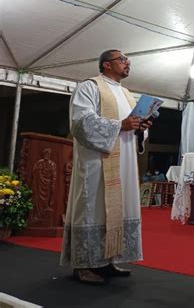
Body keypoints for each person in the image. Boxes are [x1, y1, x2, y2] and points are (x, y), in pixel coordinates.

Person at [60, 49, 152, 285]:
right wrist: (119, 125)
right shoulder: (89, 87)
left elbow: (131, 125)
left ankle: (108, 260)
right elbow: (81, 122)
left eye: (128, 61)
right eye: (122, 60)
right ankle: (84, 264)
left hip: (124, 162)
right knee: (93, 207)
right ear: (106, 65)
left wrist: (141, 128)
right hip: (97, 161)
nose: (127, 63)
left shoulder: (127, 94)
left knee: (117, 209)